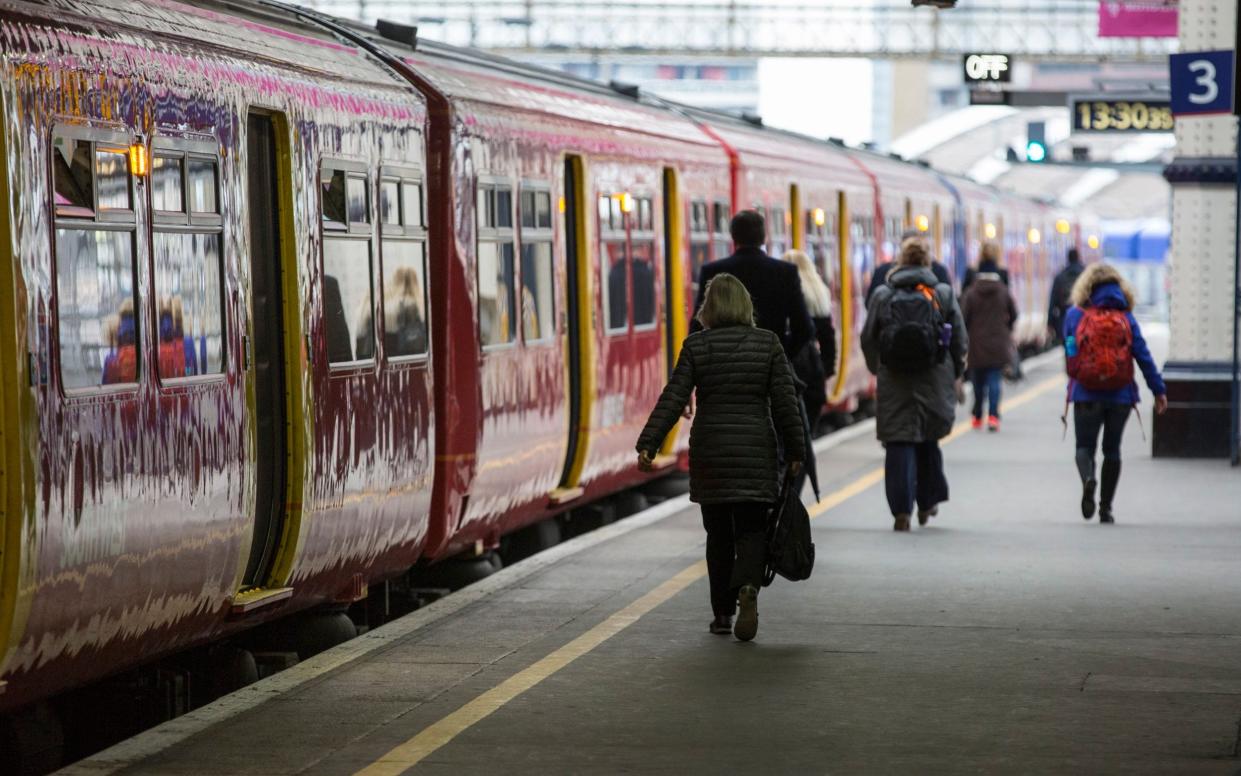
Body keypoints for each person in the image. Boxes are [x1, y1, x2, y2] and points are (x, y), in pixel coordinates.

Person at [637, 273, 804, 641]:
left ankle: (721, 615)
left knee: (717, 536)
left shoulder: (697, 346)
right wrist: (795, 451)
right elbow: (785, 403)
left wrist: (649, 443)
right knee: (751, 529)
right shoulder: (768, 344)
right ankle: (748, 588)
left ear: (708, 309)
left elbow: (674, 396)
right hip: (755, 449)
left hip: (711, 451)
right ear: (746, 307)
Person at [862, 235, 967, 532]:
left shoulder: (883, 295)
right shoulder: (942, 294)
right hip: (934, 377)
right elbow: (959, 338)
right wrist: (955, 370)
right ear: (927, 262)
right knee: (927, 437)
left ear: (900, 262)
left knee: (898, 441)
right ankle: (927, 501)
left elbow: (868, 337)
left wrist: (877, 368)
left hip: (894, 379)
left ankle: (901, 511)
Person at [1063, 263, 1167, 524]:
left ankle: (1088, 478)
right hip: (1120, 396)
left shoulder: (1075, 315)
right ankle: (1106, 508)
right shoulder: (1126, 317)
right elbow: (1142, 355)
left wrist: (1075, 373)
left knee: (1084, 447)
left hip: (1086, 394)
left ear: (1086, 286)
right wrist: (1158, 390)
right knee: (1112, 450)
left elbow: (1070, 350)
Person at [693, 210, 813, 359]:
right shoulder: (785, 272)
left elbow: (697, 329)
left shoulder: (712, 271)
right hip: (769, 372)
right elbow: (804, 329)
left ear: (733, 237)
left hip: (726, 371)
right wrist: (780, 356)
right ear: (764, 238)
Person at [782, 249, 837, 434]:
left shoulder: (789, 292)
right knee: (807, 433)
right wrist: (826, 370)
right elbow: (828, 337)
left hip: (794, 369)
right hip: (813, 370)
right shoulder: (819, 292)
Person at [960, 264, 1018, 431]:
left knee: (977, 382)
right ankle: (993, 417)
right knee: (994, 380)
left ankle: (977, 416)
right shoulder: (1003, 291)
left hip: (976, 343)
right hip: (998, 342)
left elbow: (963, 318)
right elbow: (1014, 314)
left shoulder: (971, 293)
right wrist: (1006, 328)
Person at [865, 229, 951, 306]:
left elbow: (870, 305)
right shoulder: (939, 272)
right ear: (924, 249)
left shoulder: (882, 272)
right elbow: (952, 315)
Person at [1047, 247, 1085, 346]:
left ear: (1068, 259)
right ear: (1078, 258)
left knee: (1070, 352)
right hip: (1084, 322)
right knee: (1084, 351)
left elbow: (1052, 301)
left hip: (1066, 322)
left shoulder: (1060, 276)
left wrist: (1050, 323)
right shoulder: (1086, 275)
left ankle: (1071, 361)